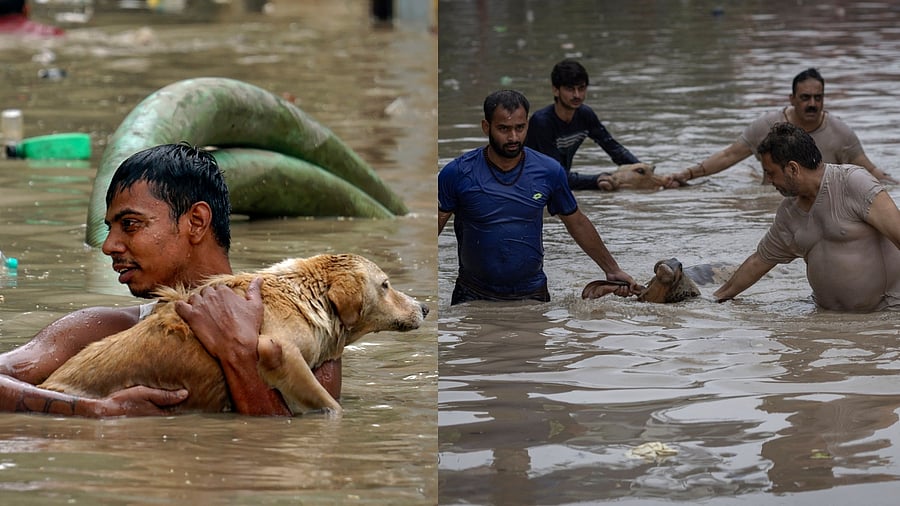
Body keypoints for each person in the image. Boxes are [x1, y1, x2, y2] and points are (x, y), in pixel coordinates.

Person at [0, 143, 340, 417]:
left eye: (130, 224)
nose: (108, 246)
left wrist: (237, 352)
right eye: (110, 229)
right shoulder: (99, 332)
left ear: (196, 221)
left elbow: (299, 452)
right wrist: (96, 410)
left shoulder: (306, 329)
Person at [438, 89, 640, 305]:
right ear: (486, 127)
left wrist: (612, 270)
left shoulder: (549, 171)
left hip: (532, 294)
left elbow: (577, 222)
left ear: (528, 125)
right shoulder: (457, 173)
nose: (513, 137)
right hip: (473, 294)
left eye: (520, 128)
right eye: (503, 129)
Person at [714, 122, 900, 312]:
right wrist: (717, 299)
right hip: (826, 319)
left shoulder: (854, 183)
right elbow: (759, 261)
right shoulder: (788, 213)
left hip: (886, 314)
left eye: (771, 173)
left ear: (793, 169)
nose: (768, 181)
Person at [666, 67, 895, 187]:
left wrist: (894, 185)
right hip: (772, 197)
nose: (812, 104)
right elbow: (728, 155)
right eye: (805, 97)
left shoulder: (841, 133)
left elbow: (871, 171)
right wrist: (686, 175)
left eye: (818, 97)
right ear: (792, 98)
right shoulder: (766, 125)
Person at [524, 59, 644, 190]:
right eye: (570, 89)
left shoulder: (585, 115)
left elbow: (614, 149)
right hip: (531, 187)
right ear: (555, 90)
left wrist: (644, 171)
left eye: (581, 88)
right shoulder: (542, 122)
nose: (577, 95)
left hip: (558, 183)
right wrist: (597, 179)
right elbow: (555, 175)